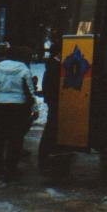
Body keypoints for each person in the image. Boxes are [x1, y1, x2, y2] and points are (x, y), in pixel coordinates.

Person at [0, 45, 35, 178]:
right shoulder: (24, 69)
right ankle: (11, 168)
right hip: (17, 107)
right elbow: (30, 90)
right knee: (15, 138)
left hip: (0, 106)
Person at [38, 42, 61, 171]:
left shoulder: (52, 64)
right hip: (54, 99)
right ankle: (45, 152)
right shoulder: (54, 65)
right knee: (51, 126)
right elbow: (51, 84)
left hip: (51, 98)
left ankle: (47, 151)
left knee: (52, 125)